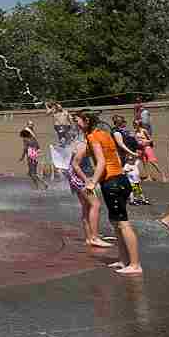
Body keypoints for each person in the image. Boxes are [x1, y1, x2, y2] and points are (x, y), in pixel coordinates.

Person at [80, 111, 141, 275]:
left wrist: (92, 181)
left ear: (86, 121)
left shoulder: (93, 136)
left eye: (77, 120)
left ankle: (135, 264)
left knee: (123, 223)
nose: (76, 124)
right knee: (116, 223)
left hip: (112, 182)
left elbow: (101, 161)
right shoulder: (104, 134)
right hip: (121, 179)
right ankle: (123, 260)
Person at [67, 115, 108, 249]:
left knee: (87, 206)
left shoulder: (85, 138)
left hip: (75, 175)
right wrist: (86, 180)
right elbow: (75, 164)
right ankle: (94, 237)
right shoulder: (85, 141)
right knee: (95, 204)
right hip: (77, 176)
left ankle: (90, 238)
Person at [20, 125, 44, 191]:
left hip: (31, 158)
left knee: (32, 174)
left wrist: (22, 157)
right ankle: (43, 184)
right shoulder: (34, 139)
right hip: (35, 158)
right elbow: (38, 148)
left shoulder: (26, 140)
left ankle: (38, 187)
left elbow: (25, 149)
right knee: (31, 173)